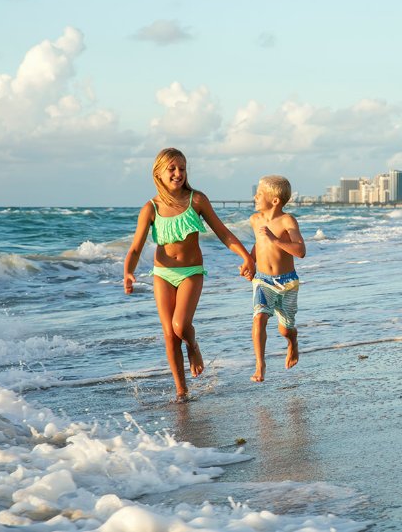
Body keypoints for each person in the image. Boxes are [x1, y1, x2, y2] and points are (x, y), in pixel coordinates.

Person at [124, 148, 254, 402]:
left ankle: (193, 346)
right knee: (169, 334)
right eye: (171, 169)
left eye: (182, 168)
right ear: (158, 173)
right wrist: (128, 271)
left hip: (191, 272)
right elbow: (136, 247)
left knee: (180, 325)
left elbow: (223, 233)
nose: (178, 173)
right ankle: (181, 391)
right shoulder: (150, 208)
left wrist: (246, 256)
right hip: (162, 273)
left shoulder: (197, 200)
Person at [248, 175, 306, 382]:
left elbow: (300, 251)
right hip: (263, 281)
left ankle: (293, 342)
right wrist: (249, 262)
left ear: (274, 201)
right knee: (259, 318)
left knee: (285, 329)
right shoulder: (255, 220)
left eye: (260, 193)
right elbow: (258, 245)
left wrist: (275, 239)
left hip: (287, 283)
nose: (255, 196)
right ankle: (260, 365)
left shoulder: (287, 221)